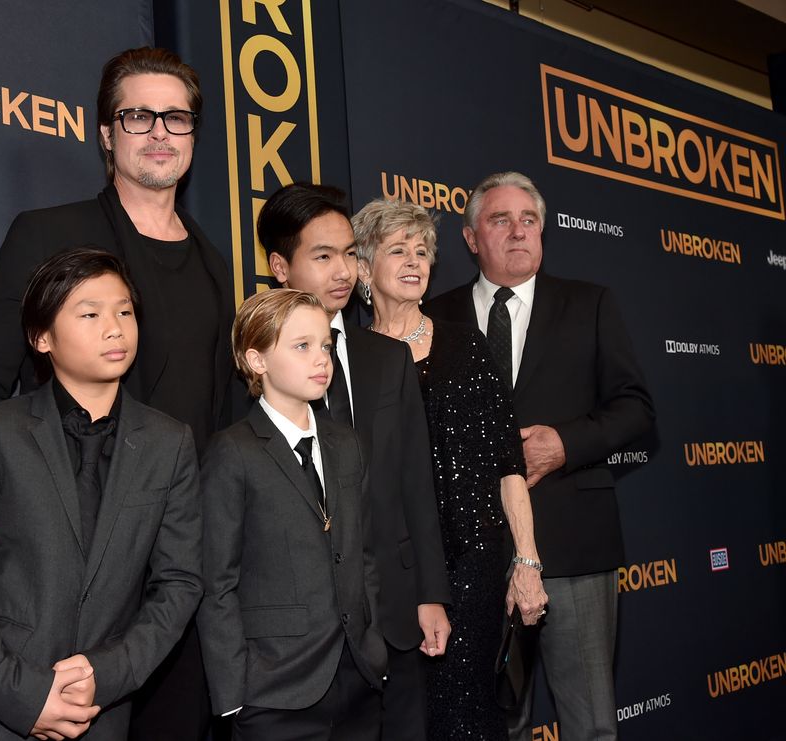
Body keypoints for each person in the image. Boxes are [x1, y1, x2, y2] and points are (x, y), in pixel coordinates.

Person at [0, 47, 230, 740]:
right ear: (107, 134)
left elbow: (220, 422)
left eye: (177, 117)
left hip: (167, 595)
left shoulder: (214, 262)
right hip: (54, 583)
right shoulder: (49, 232)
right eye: (138, 116)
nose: (160, 131)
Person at [0, 248, 202, 740]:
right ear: (41, 337)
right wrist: (23, 693)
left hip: (94, 713)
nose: (114, 329)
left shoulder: (170, 443)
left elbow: (180, 583)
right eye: (89, 314)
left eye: (124, 312)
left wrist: (106, 673)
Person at [425, 172, 655, 741]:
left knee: (590, 723)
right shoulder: (434, 315)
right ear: (470, 238)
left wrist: (565, 444)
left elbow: (636, 410)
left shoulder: (590, 303)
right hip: (472, 554)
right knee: (496, 724)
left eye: (529, 220)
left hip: (572, 543)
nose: (518, 231)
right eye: (500, 220)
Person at [256, 182, 450, 740]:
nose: (343, 271)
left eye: (348, 253)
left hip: (397, 611)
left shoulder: (388, 358)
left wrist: (432, 594)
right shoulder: (254, 363)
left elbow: (417, 483)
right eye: (323, 256)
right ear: (280, 267)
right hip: (302, 632)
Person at [352, 197, 548, 740]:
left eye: (422, 251)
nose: (414, 261)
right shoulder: (346, 359)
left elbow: (509, 463)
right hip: (391, 570)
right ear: (363, 267)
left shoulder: (467, 345)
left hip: (472, 562)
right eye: (398, 250)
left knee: (466, 715)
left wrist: (526, 560)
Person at [197, 289, 387, 740]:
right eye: (302, 346)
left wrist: (373, 644)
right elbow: (216, 582)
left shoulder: (346, 444)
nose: (321, 359)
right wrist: (232, 696)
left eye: (326, 345)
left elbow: (363, 555)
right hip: (273, 690)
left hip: (357, 678)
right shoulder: (233, 451)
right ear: (257, 359)